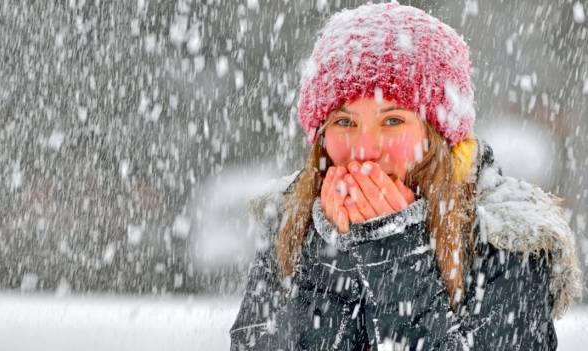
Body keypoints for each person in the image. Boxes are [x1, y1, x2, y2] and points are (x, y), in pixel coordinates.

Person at [229, 3, 581, 351]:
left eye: (393, 120)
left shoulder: (506, 238)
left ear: (437, 136)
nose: (365, 149)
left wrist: (393, 252)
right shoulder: (293, 219)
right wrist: (330, 255)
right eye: (344, 122)